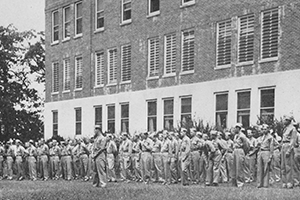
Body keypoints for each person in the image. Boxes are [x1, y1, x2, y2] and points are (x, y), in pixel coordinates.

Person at [281, 115, 297, 189]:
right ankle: (284, 182)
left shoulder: (293, 129)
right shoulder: (285, 128)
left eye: (285, 120)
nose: (284, 121)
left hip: (288, 145)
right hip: (284, 145)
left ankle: (290, 182)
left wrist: (289, 150)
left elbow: (293, 140)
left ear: (289, 120)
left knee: (288, 165)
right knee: (283, 166)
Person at [232, 123, 249, 187]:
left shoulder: (242, 136)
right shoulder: (236, 135)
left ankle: (240, 182)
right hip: (235, 150)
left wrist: (244, 152)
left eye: (235, 128)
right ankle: (234, 182)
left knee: (239, 167)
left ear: (238, 128)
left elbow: (246, 145)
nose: (234, 129)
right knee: (234, 167)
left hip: (240, 150)